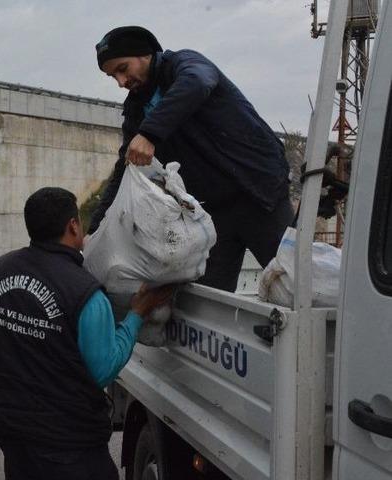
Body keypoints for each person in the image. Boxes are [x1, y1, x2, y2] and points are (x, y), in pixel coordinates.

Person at [0, 187, 174, 480]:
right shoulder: (84, 292)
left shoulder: (0, 270)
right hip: (68, 442)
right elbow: (103, 369)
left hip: (13, 432)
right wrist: (137, 313)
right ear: (73, 226)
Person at [87, 26, 293, 292]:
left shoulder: (184, 65)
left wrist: (150, 134)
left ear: (146, 54)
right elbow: (125, 168)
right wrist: (94, 229)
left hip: (258, 196)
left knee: (292, 285)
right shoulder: (137, 107)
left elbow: (198, 82)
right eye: (112, 76)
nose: (121, 81)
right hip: (211, 213)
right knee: (210, 305)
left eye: (123, 68)